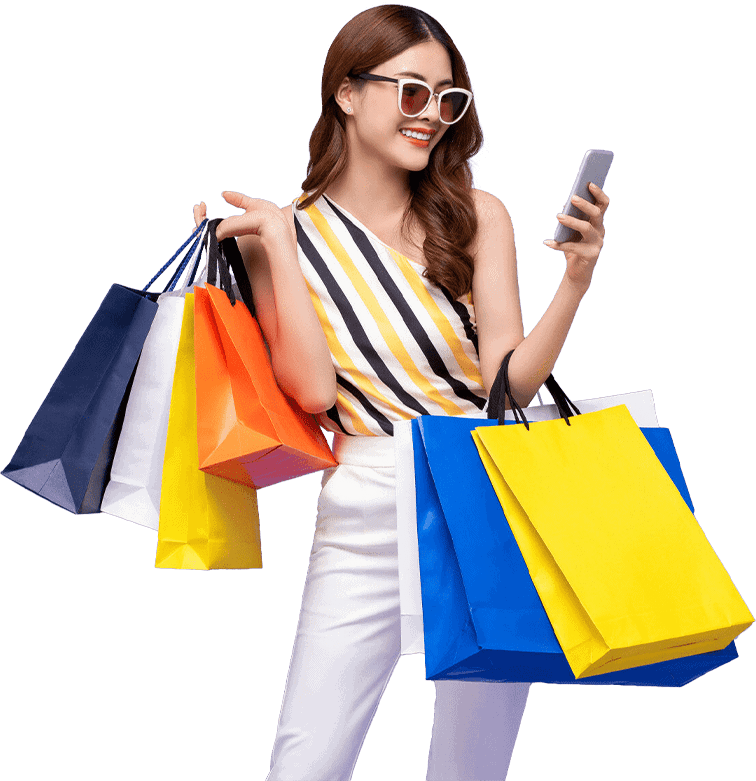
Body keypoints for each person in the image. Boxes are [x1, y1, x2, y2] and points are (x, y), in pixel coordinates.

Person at [193, 5, 609, 779]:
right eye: (410, 93)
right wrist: (280, 248)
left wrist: (575, 283)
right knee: (305, 760)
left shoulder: (479, 218)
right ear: (348, 93)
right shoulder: (279, 234)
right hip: (366, 494)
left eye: (447, 100)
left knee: (472, 765)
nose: (431, 117)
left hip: (485, 490)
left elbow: (508, 382)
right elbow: (315, 392)